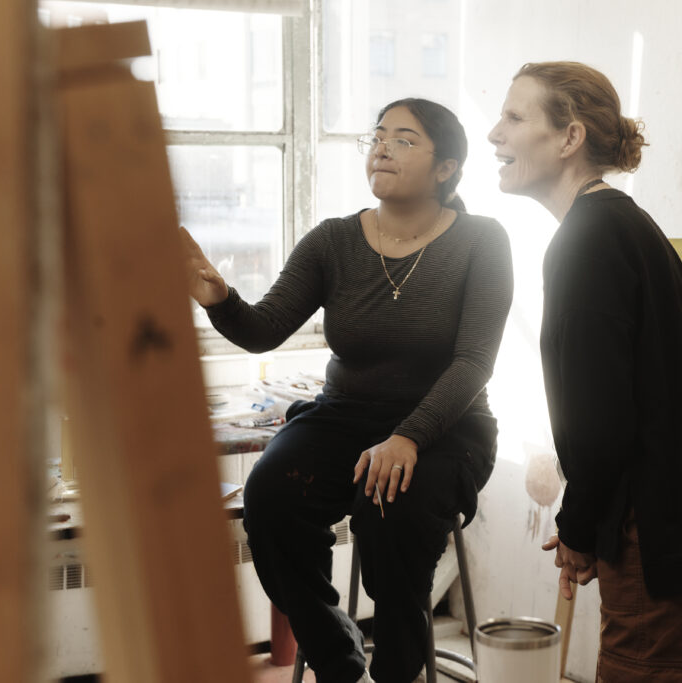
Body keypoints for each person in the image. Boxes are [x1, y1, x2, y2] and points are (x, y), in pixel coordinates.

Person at [182, 98, 513, 683]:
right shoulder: (334, 240)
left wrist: (408, 437)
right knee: (271, 497)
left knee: (393, 509)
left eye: (405, 139)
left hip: (446, 426)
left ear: (446, 168)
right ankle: (339, 660)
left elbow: (474, 362)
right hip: (343, 417)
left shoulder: (482, 241)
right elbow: (262, 329)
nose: (381, 146)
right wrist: (219, 298)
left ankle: (399, 668)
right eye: (378, 135)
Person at [487, 62, 682, 682]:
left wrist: (580, 524)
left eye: (514, 116)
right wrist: (585, 522)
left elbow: (599, 420)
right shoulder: (620, 226)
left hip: (659, 538)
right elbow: (632, 400)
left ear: (569, 138)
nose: (494, 134)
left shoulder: (588, 240)